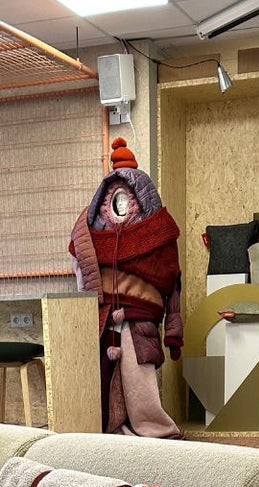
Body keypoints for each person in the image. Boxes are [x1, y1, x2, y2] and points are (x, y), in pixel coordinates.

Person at [68, 138, 183, 439]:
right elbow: (81, 270)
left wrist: (174, 332)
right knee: (105, 383)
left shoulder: (159, 234)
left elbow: (173, 284)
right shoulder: (91, 234)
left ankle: (156, 431)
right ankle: (115, 430)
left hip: (140, 319)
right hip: (105, 317)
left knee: (139, 381)